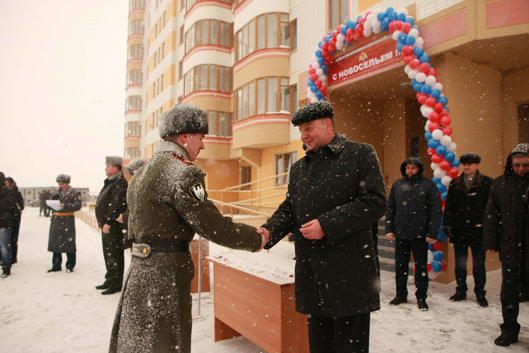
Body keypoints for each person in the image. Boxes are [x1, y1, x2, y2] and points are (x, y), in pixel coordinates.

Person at [109, 104, 268, 353]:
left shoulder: (141, 174)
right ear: (184, 137)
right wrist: (255, 239)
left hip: (139, 272)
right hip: (166, 276)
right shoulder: (183, 172)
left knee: (139, 343)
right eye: (200, 137)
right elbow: (212, 225)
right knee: (168, 343)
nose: (203, 145)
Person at [257, 101, 387, 353]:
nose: (304, 135)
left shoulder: (360, 154)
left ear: (328, 125)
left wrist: (327, 225)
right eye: (300, 130)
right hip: (313, 276)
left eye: (309, 128)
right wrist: (269, 231)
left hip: (349, 276)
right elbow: (289, 208)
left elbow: (375, 202)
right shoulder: (299, 169)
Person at [483, 143, 529, 347]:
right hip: (509, 246)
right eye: (517, 164)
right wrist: (491, 241)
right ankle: (509, 330)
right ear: (510, 163)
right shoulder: (500, 183)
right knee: (509, 292)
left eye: (526, 165)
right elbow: (491, 214)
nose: (521, 169)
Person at [385, 157, 442, 311]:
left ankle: (421, 297)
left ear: (419, 170)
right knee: (400, 266)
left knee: (421, 268)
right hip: (401, 233)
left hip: (420, 235)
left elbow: (435, 211)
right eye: (407, 167)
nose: (410, 170)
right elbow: (391, 209)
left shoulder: (428, 185)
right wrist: (389, 229)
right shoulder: (397, 185)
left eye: (413, 168)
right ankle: (401, 294)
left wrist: (432, 232)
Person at [442, 153, 492, 307]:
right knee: (460, 264)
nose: (467, 166)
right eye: (464, 164)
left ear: (477, 165)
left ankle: (480, 293)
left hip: (479, 230)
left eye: (470, 164)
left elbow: (491, 208)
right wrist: (448, 224)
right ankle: (461, 290)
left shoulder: (487, 183)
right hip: (460, 229)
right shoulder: (455, 183)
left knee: (479, 264)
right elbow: (450, 206)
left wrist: (489, 228)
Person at [95, 156, 128, 295]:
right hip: (107, 224)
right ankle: (109, 279)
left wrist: (108, 222)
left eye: (108, 166)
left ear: (115, 168)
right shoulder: (110, 181)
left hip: (113, 225)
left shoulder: (119, 182)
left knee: (114, 254)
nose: (105, 168)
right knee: (108, 253)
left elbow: (116, 205)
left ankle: (116, 283)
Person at [47, 174, 82, 273]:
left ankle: (70, 265)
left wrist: (65, 206)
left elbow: (78, 205)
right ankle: (56, 265)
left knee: (69, 243)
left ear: (67, 183)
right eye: (59, 184)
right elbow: (49, 205)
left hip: (67, 219)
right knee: (55, 243)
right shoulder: (55, 193)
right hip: (56, 219)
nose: (60, 186)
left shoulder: (74, 192)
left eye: (62, 184)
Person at [0, 172, 16, 278]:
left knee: (4, 247)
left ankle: (6, 267)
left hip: (4, 223)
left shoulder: (9, 191)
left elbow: (8, 206)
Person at [5, 177, 24, 264]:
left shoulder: (16, 193)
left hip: (14, 216)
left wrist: (16, 210)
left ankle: (13, 257)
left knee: (13, 237)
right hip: (6, 217)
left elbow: (21, 205)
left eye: (7, 183)